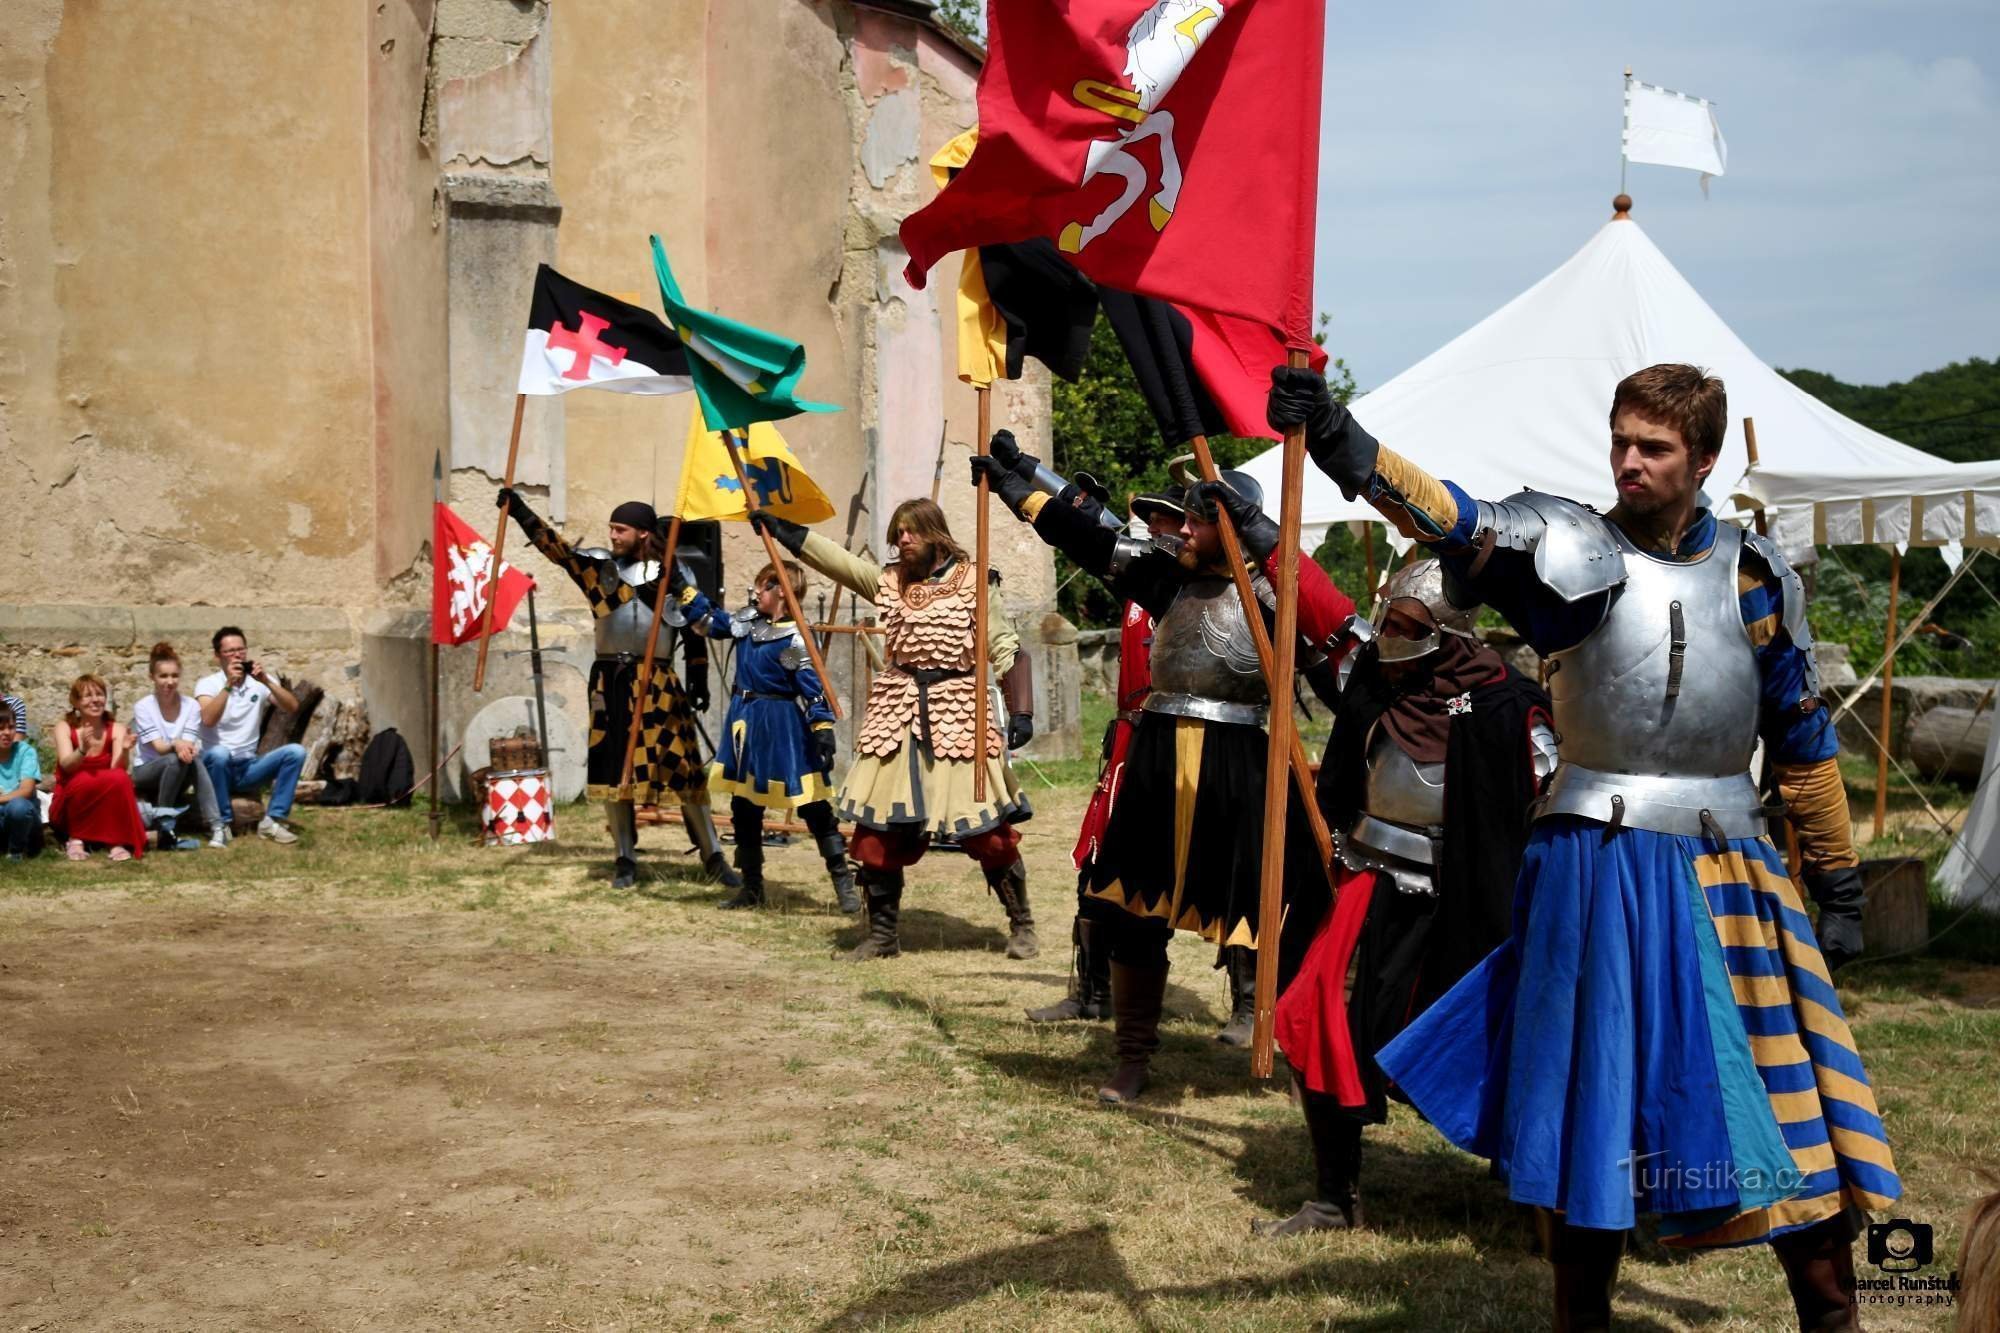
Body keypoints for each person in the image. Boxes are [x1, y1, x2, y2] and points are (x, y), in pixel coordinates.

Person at [1271, 362, 1897, 1329]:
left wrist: (1841, 881)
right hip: (1595, 867)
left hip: (1733, 866)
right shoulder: (1569, 548)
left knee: (1788, 1108)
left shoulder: (1754, 574)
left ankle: (1832, 1315)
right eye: (1622, 443)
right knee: (1588, 1117)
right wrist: (1346, 443)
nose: (1632, 463)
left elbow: (1805, 743)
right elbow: (1455, 519)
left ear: (1705, 458)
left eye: (1655, 448)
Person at [974, 433, 1355, 1104]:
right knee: (1129, 906)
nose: (1184, 528)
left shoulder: (1276, 596)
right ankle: (1132, 1055)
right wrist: (1020, 489)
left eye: (1201, 518)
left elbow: (1338, 674)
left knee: (1280, 912)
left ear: (1234, 528)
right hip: (1157, 756)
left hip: (1241, 764)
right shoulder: (1166, 577)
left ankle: (1293, 1053)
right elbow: (1087, 538)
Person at [1256, 559, 1555, 1235]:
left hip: (1473, 899)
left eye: (1406, 623)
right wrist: (1265, 543)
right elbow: (1325, 623)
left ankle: (1536, 1198)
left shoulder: (1500, 701)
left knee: (1501, 1039)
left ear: (1448, 632)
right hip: (1369, 880)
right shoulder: (1376, 682)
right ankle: (1336, 1193)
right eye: (1387, 616)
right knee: (1313, 1014)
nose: (1390, 633)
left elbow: (1546, 794)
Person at [749, 495, 1039, 962]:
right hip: (897, 711)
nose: (903, 540)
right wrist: (788, 531)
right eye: (897, 533)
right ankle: (883, 935)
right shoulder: (889, 583)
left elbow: (1005, 644)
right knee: (877, 831)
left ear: (936, 535)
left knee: (986, 830)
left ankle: (1022, 925)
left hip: (958, 712)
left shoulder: (974, 582)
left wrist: (1020, 709)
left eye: (912, 531)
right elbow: (841, 563)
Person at [499, 489, 739, 891]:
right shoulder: (600, 569)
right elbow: (557, 551)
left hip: (658, 679)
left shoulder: (672, 573)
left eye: (620, 529)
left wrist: (697, 674)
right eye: (611, 528)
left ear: (644, 533)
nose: (612, 535)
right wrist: (521, 512)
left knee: (684, 769)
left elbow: (692, 625)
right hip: (610, 680)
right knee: (616, 771)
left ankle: (712, 855)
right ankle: (625, 857)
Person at [1026, 482, 1182, 1026]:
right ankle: (1090, 991)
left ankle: (1244, 1003)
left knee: (1211, 871)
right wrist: (1025, 479)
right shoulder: (1138, 590)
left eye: (1168, 520)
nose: (1156, 529)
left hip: (1193, 749)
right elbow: (1091, 534)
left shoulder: (1216, 592)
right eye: (1152, 521)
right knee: (1096, 868)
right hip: (1130, 746)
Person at [684, 558, 860, 914]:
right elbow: (711, 622)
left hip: (781, 726)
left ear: (781, 591)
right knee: (744, 807)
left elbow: (809, 686)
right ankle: (752, 887)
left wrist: (822, 727)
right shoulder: (747, 624)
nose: (755, 592)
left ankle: (845, 886)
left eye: (763, 586)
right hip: (744, 724)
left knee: (814, 807)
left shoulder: (791, 640)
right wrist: (683, 590)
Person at [196, 627, 306, 846]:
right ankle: (223, 823)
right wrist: (228, 686)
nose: (237, 655)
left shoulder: (258, 681)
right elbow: (208, 719)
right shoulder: (208, 684)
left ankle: (272, 820)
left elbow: (293, 706)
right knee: (219, 754)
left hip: (248, 766)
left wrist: (267, 682)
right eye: (230, 651)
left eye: (241, 650)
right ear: (217, 656)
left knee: (296, 752)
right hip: (217, 768)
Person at [129, 642, 221, 851]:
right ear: (152, 677)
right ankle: (166, 825)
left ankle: (216, 824)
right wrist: (178, 744)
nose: (169, 682)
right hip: (147, 770)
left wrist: (186, 747)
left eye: (174, 676)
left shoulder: (191, 706)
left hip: (179, 767)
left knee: (190, 758)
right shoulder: (143, 706)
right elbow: (160, 748)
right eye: (163, 676)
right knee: (173, 758)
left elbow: (187, 745)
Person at [51, 674, 146, 862]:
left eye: (99, 694)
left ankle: (115, 840)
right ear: (76, 702)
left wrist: (125, 751)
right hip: (71, 798)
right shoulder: (64, 727)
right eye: (88, 695)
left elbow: (116, 771)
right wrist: (82, 750)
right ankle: (76, 837)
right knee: (82, 779)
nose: (95, 700)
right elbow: (67, 767)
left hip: (104, 796)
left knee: (120, 778)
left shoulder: (116, 728)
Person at [1, 707, 42, 860]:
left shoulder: (25, 752)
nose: (6, 733)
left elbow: (26, 790)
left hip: (23, 816)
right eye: (0, 728)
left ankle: (16, 850)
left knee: (18, 807)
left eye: (11, 727)